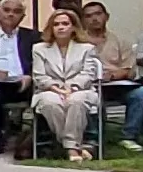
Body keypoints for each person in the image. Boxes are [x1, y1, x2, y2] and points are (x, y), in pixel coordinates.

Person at [27, 8, 105, 157]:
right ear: (51, 28)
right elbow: (39, 76)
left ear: (74, 27)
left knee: (76, 101)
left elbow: (88, 74)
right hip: (49, 90)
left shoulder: (86, 49)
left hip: (81, 90)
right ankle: (74, 147)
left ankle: (69, 146)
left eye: (65, 23)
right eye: (56, 24)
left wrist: (72, 88)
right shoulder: (39, 49)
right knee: (50, 102)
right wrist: (57, 89)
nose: (61, 27)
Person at [78, 2, 143, 154]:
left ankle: (129, 137)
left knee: (141, 93)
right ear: (83, 20)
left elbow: (128, 69)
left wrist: (111, 76)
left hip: (115, 85)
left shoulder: (120, 41)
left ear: (106, 16)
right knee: (91, 96)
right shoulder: (78, 42)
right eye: (89, 16)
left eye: (98, 14)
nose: (94, 19)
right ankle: (93, 139)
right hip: (88, 85)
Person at [0, 0, 35, 154]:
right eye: (7, 10)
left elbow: (42, 62)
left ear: (23, 17)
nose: (11, 14)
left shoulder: (33, 37)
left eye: (17, 11)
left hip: (26, 83)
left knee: (42, 93)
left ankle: (30, 142)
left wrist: (29, 75)